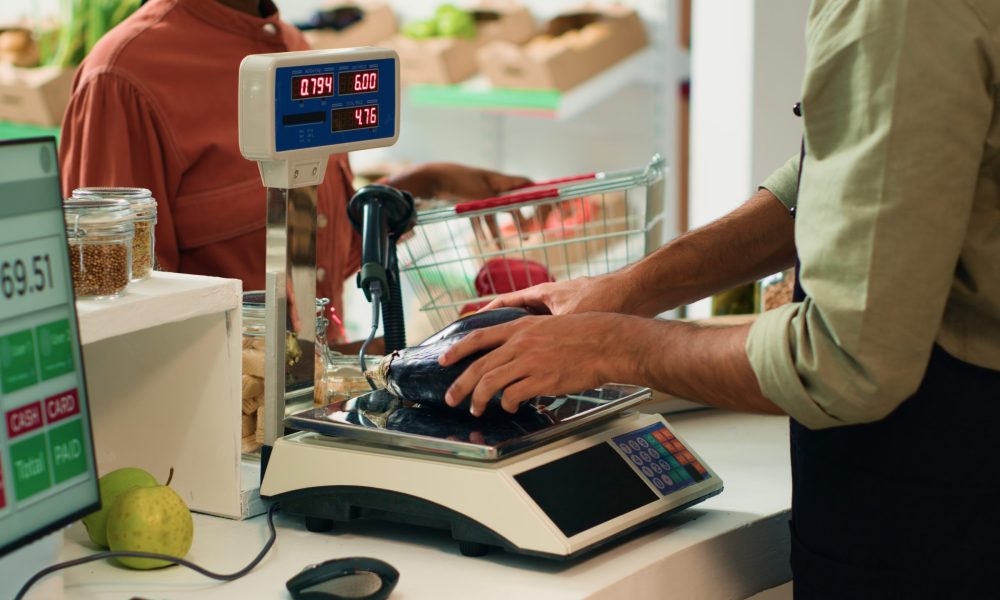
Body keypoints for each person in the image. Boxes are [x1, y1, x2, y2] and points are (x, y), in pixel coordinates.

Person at [440, 1, 1000, 597]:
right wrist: (627, 291)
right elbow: (856, 175)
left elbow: (846, 362)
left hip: (948, 506)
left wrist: (612, 345)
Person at [58, 0, 529, 334]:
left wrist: (422, 184)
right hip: (214, 428)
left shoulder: (290, 45)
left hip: (308, 408)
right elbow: (109, 303)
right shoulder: (123, 77)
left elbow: (309, 248)